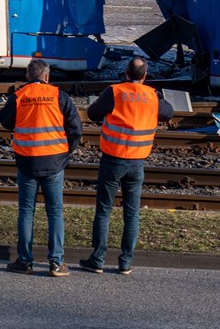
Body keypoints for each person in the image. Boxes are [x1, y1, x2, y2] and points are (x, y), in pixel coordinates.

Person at [79, 57, 174, 276]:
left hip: (113, 159)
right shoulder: (152, 95)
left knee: (104, 210)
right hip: (137, 162)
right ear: (145, 75)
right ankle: (126, 262)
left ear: (126, 73)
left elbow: (93, 114)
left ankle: (98, 260)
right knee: (131, 214)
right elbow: (168, 113)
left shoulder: (115, 92)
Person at [0, 58, 82, 277]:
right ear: (47, 76)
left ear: (27, 76)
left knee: (26, 212)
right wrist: (66, 151)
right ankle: (56, 263)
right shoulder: (59, 96)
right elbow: (75, 128)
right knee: (55, 212)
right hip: (55, 162)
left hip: (27, 162)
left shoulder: (19, 96)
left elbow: (5, 121)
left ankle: (25, 261)